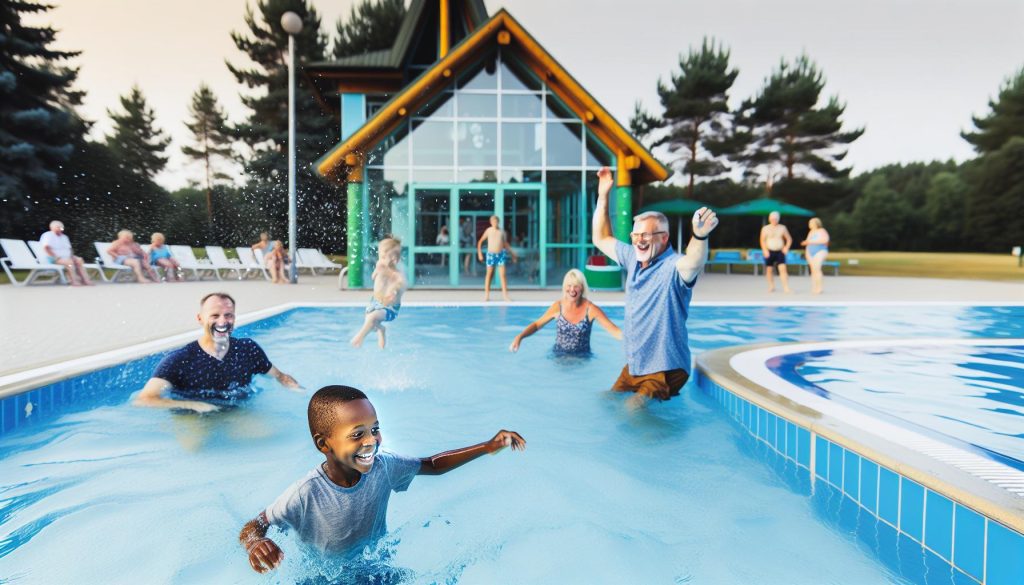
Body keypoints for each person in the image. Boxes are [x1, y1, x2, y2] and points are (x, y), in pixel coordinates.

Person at [239, 385, 526, 573]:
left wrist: (487, 447)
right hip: (323, 578)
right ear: (323, 444)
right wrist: (255, 543)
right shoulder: (306, 493)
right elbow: (255, 524)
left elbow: (433, 465)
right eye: (357, 434)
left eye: (374, 429)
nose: (371, 441)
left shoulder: (383, 467)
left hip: (375, 568)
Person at [591, 166, 718, 406]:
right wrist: (604, 195)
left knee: (632, 409)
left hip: (666, 367)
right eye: (635, 236)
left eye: (646, 236)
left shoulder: (673, 266)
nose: (639, 240)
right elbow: (601, 238)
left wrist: (700, 236)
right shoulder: (632, 258)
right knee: (604, 403)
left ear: (663, 238)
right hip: (635, 365)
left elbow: (693, 262)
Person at [133, 292, 300, 413]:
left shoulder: (248, 349)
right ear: (200, 319)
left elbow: (279, 376)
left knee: (264, 438)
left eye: (228, 315)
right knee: (196, 450)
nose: (222, 322)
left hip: (237, 411)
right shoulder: (180, 359)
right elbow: (145, 399)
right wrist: (193, 405)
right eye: (214, 315)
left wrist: (298, 390)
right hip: (191, 415)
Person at [509, 268, 622, 356]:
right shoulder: (558, 307)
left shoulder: (590, 309)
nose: (572, 289)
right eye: (569, 285)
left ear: (582, 288)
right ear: (565, 287)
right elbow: (537, 324)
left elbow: (613, 330)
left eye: (576, 286)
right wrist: (520, 337)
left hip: (582, 360)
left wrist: (632, 341)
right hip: (559, 357)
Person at [351, 238, 406, 349]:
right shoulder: (380, 264)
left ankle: (359, 337)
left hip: (389, 308)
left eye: (384, 257)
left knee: (373, 317)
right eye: (380, 256)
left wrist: (393, 292)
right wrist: (377, 272)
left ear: (395, 260)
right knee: (370, 321)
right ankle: (381, 329)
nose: (380, 259)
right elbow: (373, 277)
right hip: (375, 301)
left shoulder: (397, 276)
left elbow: (398, 287)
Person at [476, 215, 518, 301]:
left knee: (503, 275)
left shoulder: (502, 232)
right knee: (489, 275)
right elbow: (480, 242)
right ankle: (487, 295)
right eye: (493, 222)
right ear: (491, 222)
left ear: (498, 222)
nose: (495, 223)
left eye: (496, 221)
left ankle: (505, 296)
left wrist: (512, 253)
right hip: (491, 255)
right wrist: (480, 254)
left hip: (500, 255)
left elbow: (505, 244)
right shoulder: (488, 231)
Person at [39, 220, 93, 286]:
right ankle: (73, 281)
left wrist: (72, 256)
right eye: (58, 227)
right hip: (53, 258)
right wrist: (56, 257)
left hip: (66, 258)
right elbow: (46, 248)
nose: (60, 229)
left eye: (61, 228)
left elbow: (70, 249)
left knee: (79, 260)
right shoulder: (48, 235)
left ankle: (86, 280)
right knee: (69, 263)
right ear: (51, 227)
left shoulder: (64, 237)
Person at [759, 211, 792, 293]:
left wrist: (786, 248)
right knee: (769, 269)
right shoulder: (765, 228)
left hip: (780, 251)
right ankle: (771, 286)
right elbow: (762, 240)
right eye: (773, 219)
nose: (774, 220)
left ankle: (786, 287)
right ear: (770, 219)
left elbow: (789, 239)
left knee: (783, 269)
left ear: (778, 219)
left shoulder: (782, 228)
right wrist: (765, 250)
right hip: (769, 251)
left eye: (776, 219)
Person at [800, 217, 830, 295]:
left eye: (811, 222)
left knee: (817, 268)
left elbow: (825, 240)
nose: (809, 224)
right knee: (813, 270)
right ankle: (814, 287)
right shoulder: (810, 232)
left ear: (816, 223)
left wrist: (811, 241)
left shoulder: (822, 231)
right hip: (810, 252)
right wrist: (807, 253)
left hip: (820, 251)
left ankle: (820, 287)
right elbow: (807, 243)